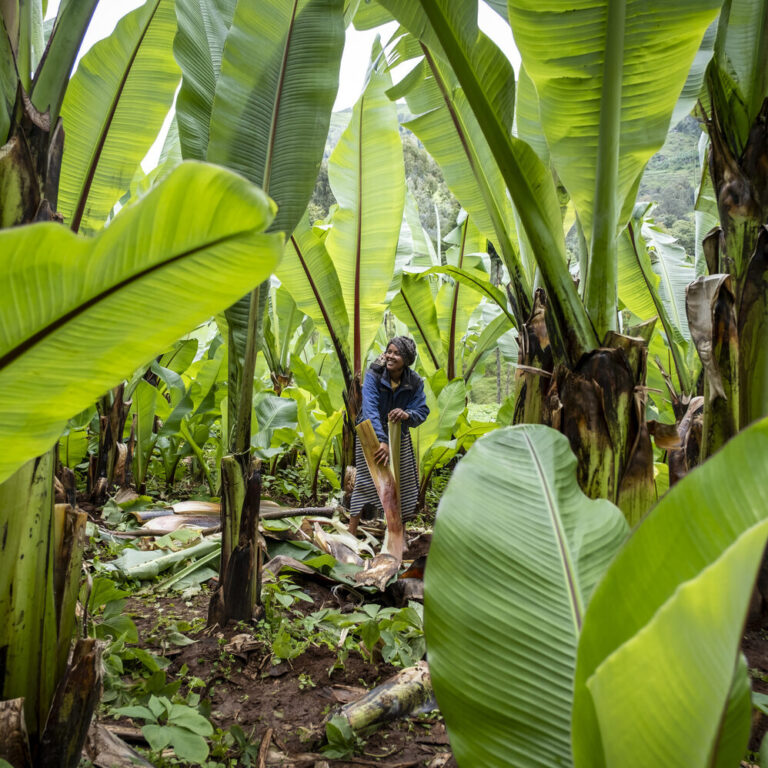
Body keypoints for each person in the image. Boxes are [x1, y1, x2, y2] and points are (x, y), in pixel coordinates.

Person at [349, 336, 429, 533]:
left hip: (398, 436)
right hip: (370, 435)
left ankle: (397, 534)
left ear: (407, 359)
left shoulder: (415, 382)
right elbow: (370, 409)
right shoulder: (374, 375)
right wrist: (381, 441)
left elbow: (422, 410)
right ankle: (351, 531)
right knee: (367, 481)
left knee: (404, 483)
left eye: (397, 353)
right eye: (389, 351)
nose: (391, 356)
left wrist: (407, 414)